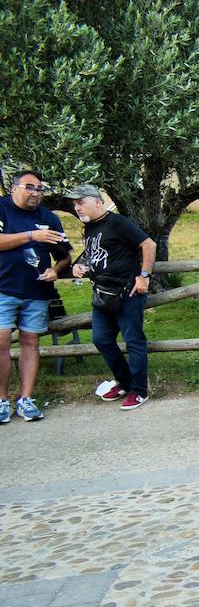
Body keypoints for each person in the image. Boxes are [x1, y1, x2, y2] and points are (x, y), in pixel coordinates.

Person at [65, 185, 156, 410]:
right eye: (74, 204)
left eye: (80, 202)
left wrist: (144, 276)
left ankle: (139, 391)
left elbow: (148, 244)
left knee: (133, 340)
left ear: (97, 202)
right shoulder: (89, 228)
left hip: (127, 292)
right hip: (102, 294)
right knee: (101, 340)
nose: (77, 207)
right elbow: (93, 253)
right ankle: (126, 383)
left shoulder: (118, 222)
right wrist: (79, 265)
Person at [0, 170, 71, 424]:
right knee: (2, 343)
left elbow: (64, 255)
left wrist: (56, 269)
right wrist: (31, 236)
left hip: (36, 291)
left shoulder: (48, 217)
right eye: (30, 188)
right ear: (14, 188)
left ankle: (26, 399)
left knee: (31, 343)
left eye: (39, 189)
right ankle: (2, 401)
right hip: (3, 288)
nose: (36, 193)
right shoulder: (2, 209)